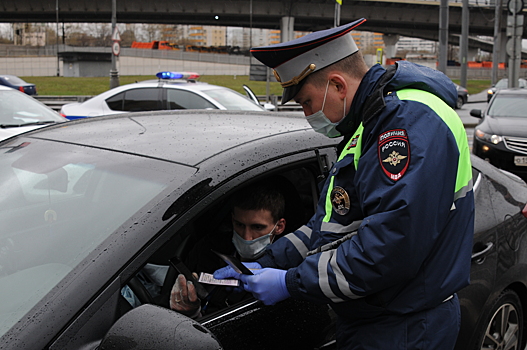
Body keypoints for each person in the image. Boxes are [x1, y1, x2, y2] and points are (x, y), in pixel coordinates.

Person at [214, 18, 475, 350]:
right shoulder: (372, 119)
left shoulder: (405, 124)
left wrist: (290, 282)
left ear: (338, 85)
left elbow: (389, 248)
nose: (308, 115)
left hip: (406, 327)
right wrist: (266, 263)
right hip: (381, 319)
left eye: (307, 102)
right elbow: (332, 222)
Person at [169, 181, 287, 319]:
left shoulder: (281, 276)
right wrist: (188, 308)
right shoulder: (209, 248)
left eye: (257, 227)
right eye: (240, 225)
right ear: (232, 220)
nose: (247, 237)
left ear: (279, 226)